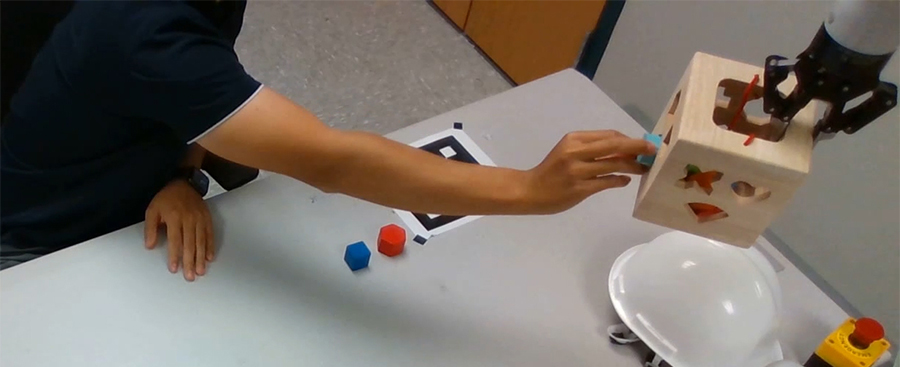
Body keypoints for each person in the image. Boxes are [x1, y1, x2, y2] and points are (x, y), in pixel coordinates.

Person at [0, 0, 655, 280]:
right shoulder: (142, 31)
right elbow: (332, 161)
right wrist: (529, 189)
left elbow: (179, 97)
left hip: (138, 178)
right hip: (40, 238)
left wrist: (179, 168)